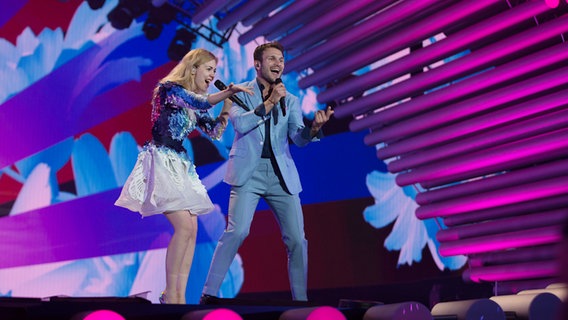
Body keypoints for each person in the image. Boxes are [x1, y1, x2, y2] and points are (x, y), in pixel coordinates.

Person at [115, 48, 253, 304]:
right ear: (193, 68)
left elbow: (214, 131)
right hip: (161, 159)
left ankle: (178, 294)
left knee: (191, 228)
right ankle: (171, 292)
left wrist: (227, 105)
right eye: (208, 69)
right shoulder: (171, 89)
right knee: (182, 226)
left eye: (214, 70)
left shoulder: (196, 100)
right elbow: (200, 102)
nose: (212, 75)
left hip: (180, 164)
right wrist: (227, 92)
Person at [201, 41, 334, 302]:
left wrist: (314, 130)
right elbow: (240, 123)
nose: (278, 64)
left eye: (281, 60)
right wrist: (270, 103)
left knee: (297, 239)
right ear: (258, 64)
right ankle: (209, 293)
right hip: (248, 172)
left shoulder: (291, 99)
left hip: (281, 174)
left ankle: (300, 300)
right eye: (272, 59)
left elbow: (297, 138)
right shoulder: (240, 91)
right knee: (237, 232)